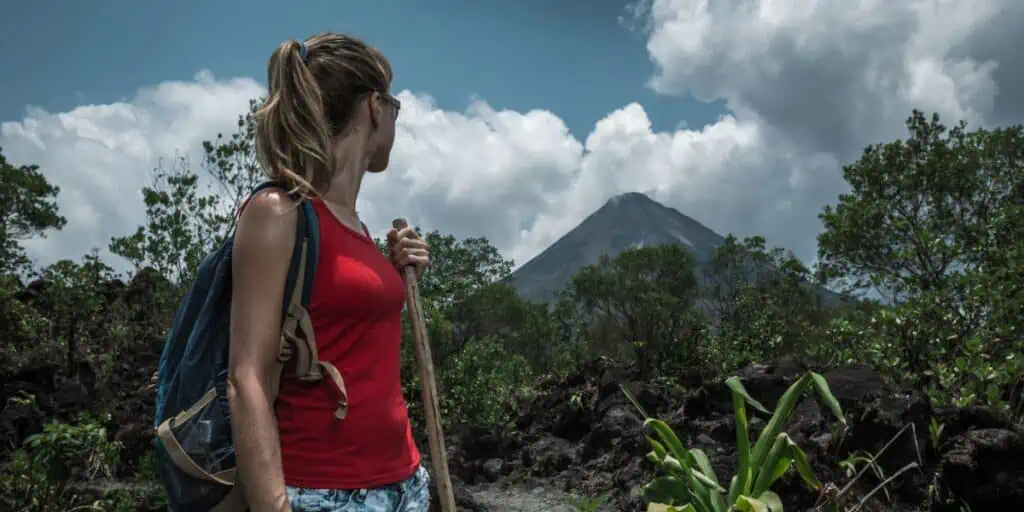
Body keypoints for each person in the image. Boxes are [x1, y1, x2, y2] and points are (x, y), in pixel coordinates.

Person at [227, 32, 431, 512]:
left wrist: (397, 274)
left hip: (404, 484)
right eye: (395, 107)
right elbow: (246, 377)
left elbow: (353, 341)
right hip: (324, 493)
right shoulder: (278, 212)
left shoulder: (355, 226)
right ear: (375, 107)